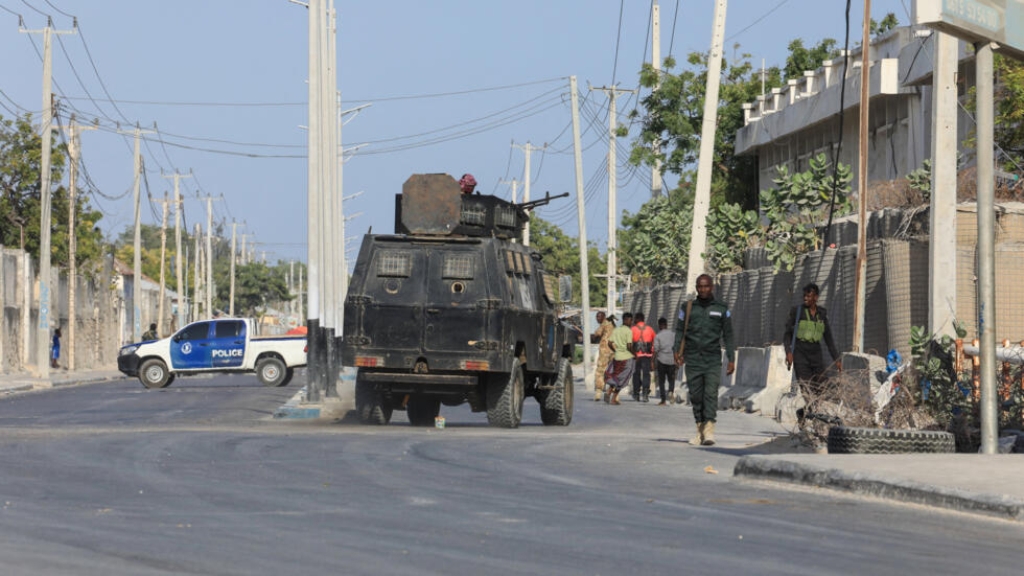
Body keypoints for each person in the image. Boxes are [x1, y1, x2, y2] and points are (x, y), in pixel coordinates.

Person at [674, 274, 735, 446]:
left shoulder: (722, 308)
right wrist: (676, 350)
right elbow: (679, 330)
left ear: (712, 287)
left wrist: (731, 358)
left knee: (710, 393)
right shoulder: (687, 307)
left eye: (706, 286)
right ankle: (699, 430)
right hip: (692, 358)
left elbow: (729, 335)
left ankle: (709, 431)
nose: (703, 289)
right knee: (696, 396)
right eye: (700, 286)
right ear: (696, 288)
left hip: (713, 358)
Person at [783, 282, 842, 421]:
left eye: (808, 296)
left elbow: (829, 339)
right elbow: (787, 335)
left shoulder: (822, 314)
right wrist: (788, 352)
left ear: (816, 297)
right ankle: (814, 419)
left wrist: (837, 360)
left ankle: (803, 413)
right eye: (804, 296)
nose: (805, 298)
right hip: (800, 353)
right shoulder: (797, 312)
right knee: (807, 389)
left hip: (816, 353)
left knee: (820, 389)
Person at [603, 312, 635, 405]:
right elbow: (629, 346)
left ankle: (609, 392)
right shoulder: (628, 331)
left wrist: (615, 350)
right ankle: (613, 398)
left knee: (616, 375)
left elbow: (609, 343)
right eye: (630, 320)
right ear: (626, 320)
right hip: (627, 358)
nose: (631, 322)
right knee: (623, 378)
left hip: (617, 357)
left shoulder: (616, 330)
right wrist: (635, 354)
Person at [630, 312, 656, 402]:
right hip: (647, 355)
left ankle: (636, 393)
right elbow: (654, 343)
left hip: (636, 356)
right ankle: (645, 393)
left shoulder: (632, 329)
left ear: (637, 319)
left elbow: (629, 343)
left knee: (636, 374)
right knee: (646, 374)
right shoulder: (650, 329)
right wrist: (652, 355)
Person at [590, 311, 616, 401]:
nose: (597, 318)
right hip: (614, 350)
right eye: (597, 317)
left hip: (605, 350)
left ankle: (598, 392)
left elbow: (597, 334)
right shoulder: (612, 323)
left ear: (604, 317)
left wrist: (592, 336)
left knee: (600, 371)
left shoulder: (604, 323)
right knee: (614, 371)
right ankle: (615, 394)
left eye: (599, 317)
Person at [652, 317, 677, 406]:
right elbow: (676, 347)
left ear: (659, 325)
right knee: (671, 379)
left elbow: (655, 350)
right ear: (666, 325)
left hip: (661, 360)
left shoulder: (658, 336)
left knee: (661, 381)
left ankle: (663, 400)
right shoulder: (673, 334)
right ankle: (670, 391)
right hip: (671, 360)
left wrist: (652, 361)